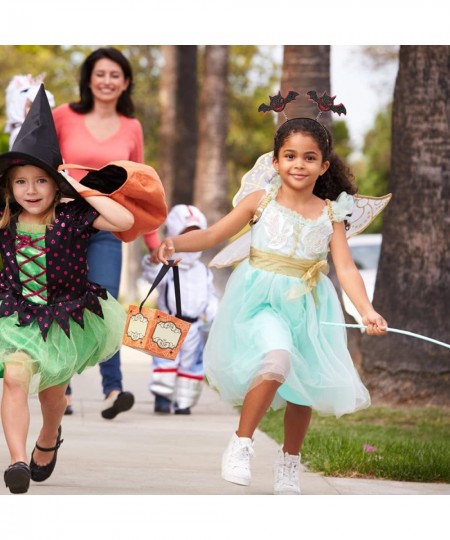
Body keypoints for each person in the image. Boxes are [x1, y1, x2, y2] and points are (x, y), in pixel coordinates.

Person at [157, 97, 388, 495]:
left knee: (304, 387)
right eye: (290, 156)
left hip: (308, 304)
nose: (299, 164)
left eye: (310, 157)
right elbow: (213, 235)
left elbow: (346, 268)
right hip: (260, 298)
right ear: (276, 162)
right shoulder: (260, 201)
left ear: (324, 166)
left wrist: (366, 310)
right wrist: (174, 243)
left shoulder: (332, 212)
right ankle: (241, 443)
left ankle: (289, 464)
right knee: (277, 359)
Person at [0, 85, 135, 494]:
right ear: (9, 187)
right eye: (21, 181)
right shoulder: (5, 220)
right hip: (17, 315)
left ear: (56, 183)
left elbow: (124, 220)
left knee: (53, 395)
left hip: (64, 316)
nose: (31, 190)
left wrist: (79, 186)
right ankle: (18, 460)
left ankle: (49, 436)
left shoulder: (73, 215)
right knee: (14, 377)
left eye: (41, 180)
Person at [53, 47, 160, 419]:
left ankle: (113, 389)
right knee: (62, 301)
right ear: (88, 78)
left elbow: (141, 186)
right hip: (63, 224)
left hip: (107, 226)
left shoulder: (132, 127)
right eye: (100, 74)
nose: (107, 81)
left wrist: (154, 244)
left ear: (126, 82)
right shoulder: (62, 116)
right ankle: (60, 390)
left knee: (104, 305)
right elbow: (41, 163)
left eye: (115, 75)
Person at [142, 205, 218, 415]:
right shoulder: (167, 264)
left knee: (190, 365)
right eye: (185, 235)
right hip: (168, 321)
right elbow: (152, 277)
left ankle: (185, 402)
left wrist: (214, 314)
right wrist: (152, 262)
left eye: (196, 235)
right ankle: (163, 398)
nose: (190, 240)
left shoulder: (202, 270)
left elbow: (209, 294)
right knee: (165, 363)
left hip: (195, 324)